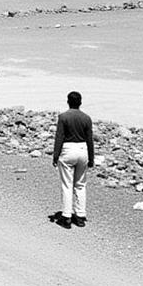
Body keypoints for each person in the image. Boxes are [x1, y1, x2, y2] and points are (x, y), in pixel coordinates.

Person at [53, 91, 95, 228]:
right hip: (83, 150)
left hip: (68, 149)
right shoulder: (86, 118)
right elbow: (90, 139)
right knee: (81, 184)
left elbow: (59, 137)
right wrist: (91, 157)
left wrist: (55, 155)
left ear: (68, 102)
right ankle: (81, 215)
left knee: (67, 184)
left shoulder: (63, 117)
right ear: (80, 102)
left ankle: (67, 216)